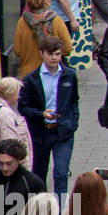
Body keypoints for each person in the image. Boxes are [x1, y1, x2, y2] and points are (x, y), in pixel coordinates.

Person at [17, 37, 78, 200]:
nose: (54, 58)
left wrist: (72, 123)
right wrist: (41, 114)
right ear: (41, 54)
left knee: (61, 173)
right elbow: (23, 107)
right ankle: (41, 212)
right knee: (38, 175)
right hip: (40, 134)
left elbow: (74, 101)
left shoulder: (69, 75)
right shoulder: (31, 79)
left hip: (63, 132)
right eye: (50, 54)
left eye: (57, 54)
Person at [12, 0, 71, 79]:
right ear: (47, 1)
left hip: (28, 75)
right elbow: (67, 48)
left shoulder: (22, 21)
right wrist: (53, 54)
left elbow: (17, 50)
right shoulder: (56, 21)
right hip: (51, 73)